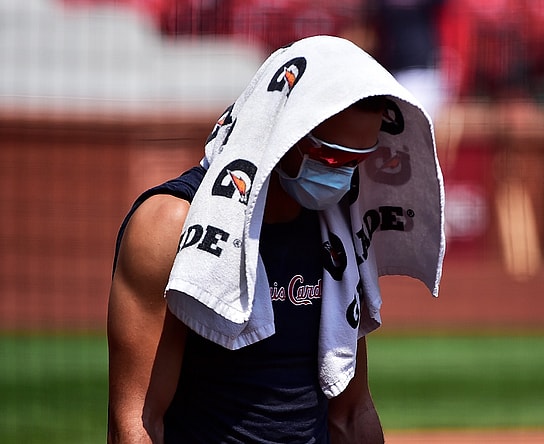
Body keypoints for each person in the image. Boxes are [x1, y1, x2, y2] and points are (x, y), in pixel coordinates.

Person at [107, 36, 444, 443]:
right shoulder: (170, 225)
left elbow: (351, 411)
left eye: (358, 161)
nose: (344, 176)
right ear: (282, 132)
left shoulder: (336, 230)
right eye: (333, 158)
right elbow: (138, 422)